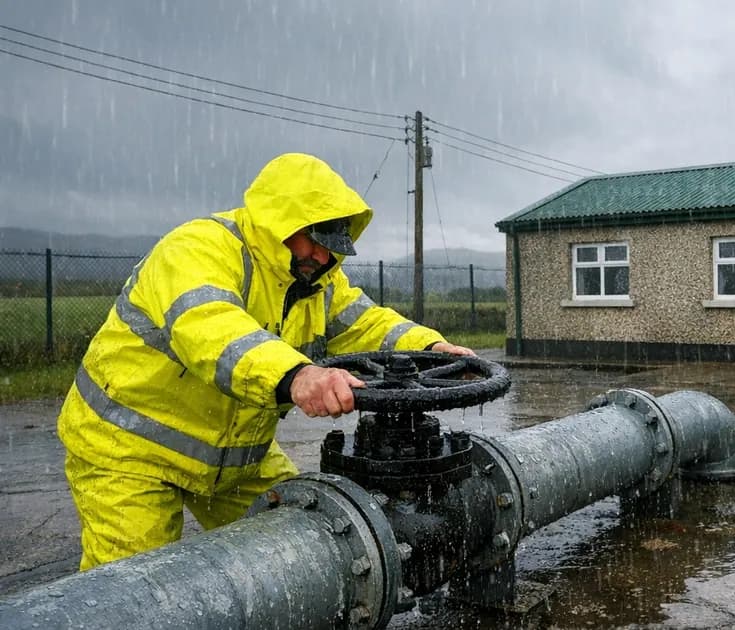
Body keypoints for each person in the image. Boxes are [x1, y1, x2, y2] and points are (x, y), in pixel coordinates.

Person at [57, 152, 473, 570]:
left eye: (332, 246)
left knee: (307, 549)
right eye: (314, 239)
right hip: (129, 450)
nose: (323, 257)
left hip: (234, 459)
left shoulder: (317, 282)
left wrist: (432, 350)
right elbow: (212, 328)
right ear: (280, 224)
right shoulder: (199, 248)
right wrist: (297, 375)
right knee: (135, 593)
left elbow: (368, 323)